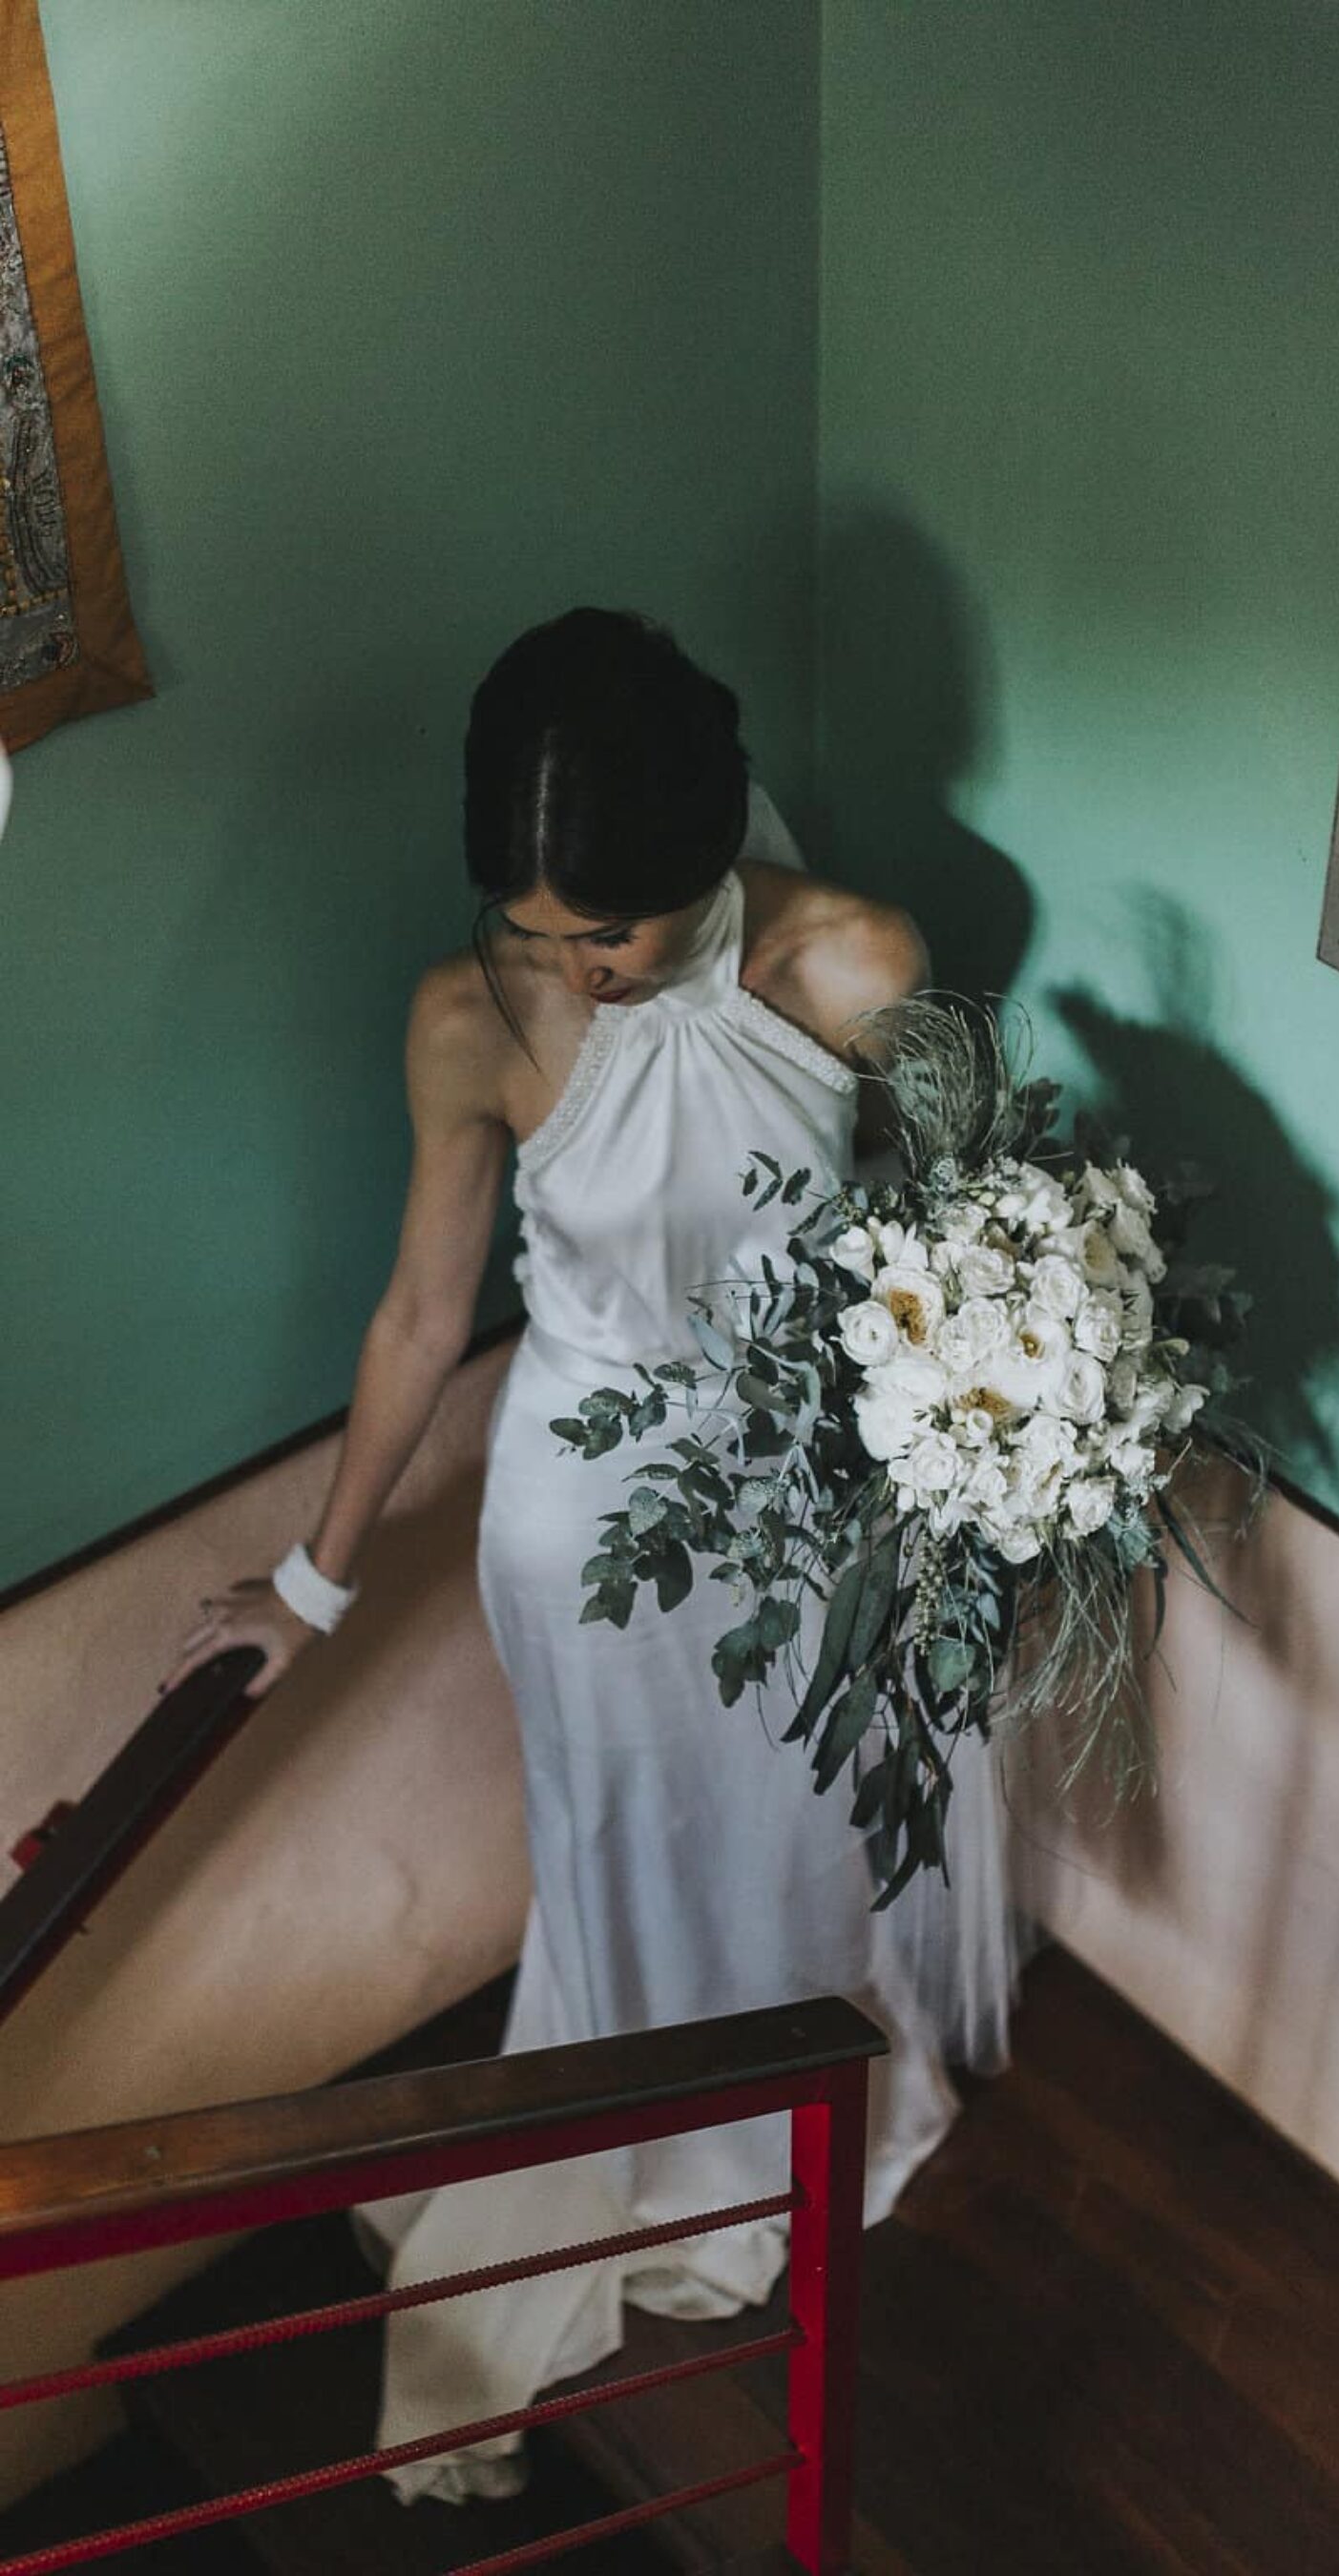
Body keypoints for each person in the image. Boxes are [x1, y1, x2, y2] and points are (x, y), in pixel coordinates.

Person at [164, 608, 1018, 2501]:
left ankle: (799, 2101)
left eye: (604, 934)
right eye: (531, 925)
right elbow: (415, 1313)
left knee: (810, 1830)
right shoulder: (467, 1016)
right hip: (584, 1523)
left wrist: (994, 1411)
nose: (566, 968)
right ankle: (651, 2158)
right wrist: (310, 1586)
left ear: (710, 858)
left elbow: (967, 1228)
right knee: (625, 1863)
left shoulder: (853, 960)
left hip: (811, 1491)